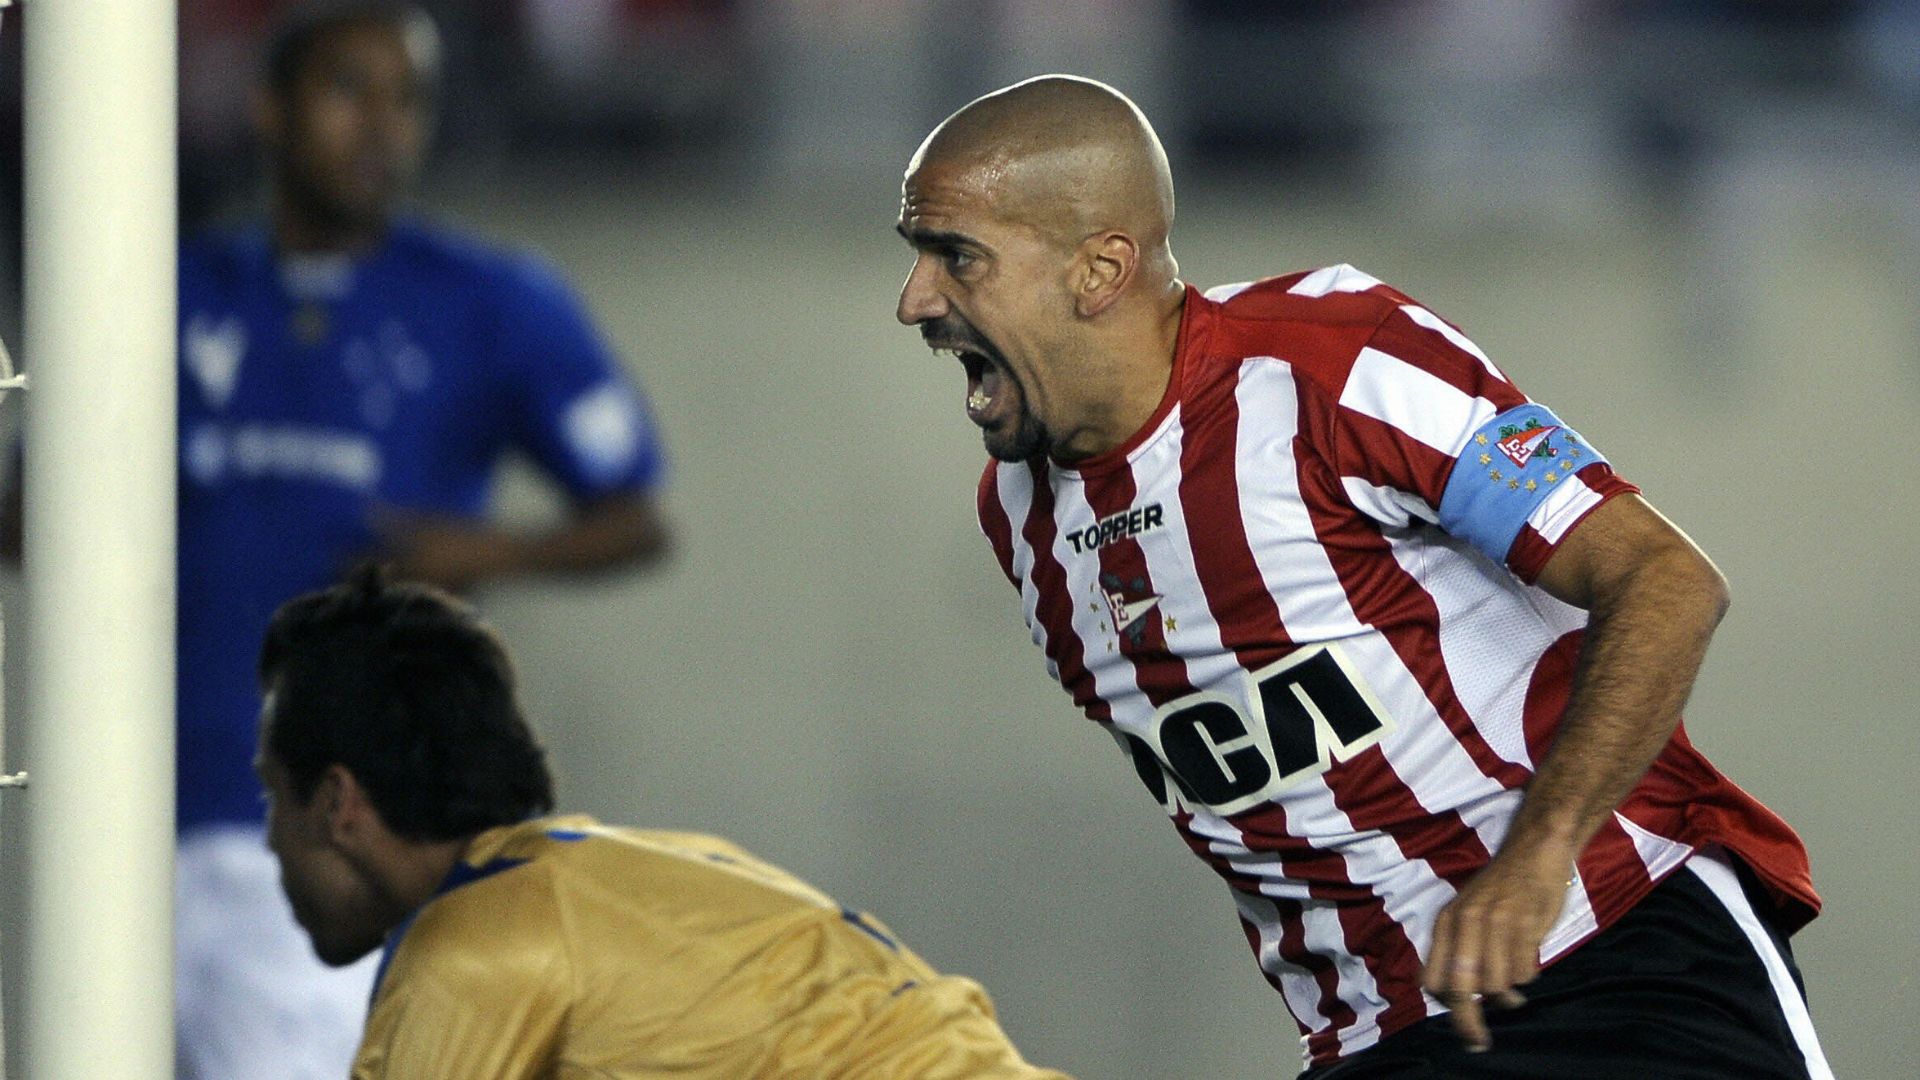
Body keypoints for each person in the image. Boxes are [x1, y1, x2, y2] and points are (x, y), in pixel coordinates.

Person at [892, 75, 1829, 1078]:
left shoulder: (1335, 358)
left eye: (957, 257)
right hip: (1380, 1039)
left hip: (1626, 957)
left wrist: (1538, 851)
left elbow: (1664, 577)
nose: (916, 301)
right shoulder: (1023, 519)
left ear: (1100, 268)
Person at [81, 3, 674, 1075]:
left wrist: (484, 553)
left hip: (323, 832)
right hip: (121, 819)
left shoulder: (490, 302)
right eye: (349, 90)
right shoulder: (170, 293)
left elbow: (634, 515)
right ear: (268, 107)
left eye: (407, 100)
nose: (383, 128)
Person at [252, 565, 1069, 1080]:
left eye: (274, 799)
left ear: (337, 804)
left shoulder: (473, 951)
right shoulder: (623, 873)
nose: (268, 840)